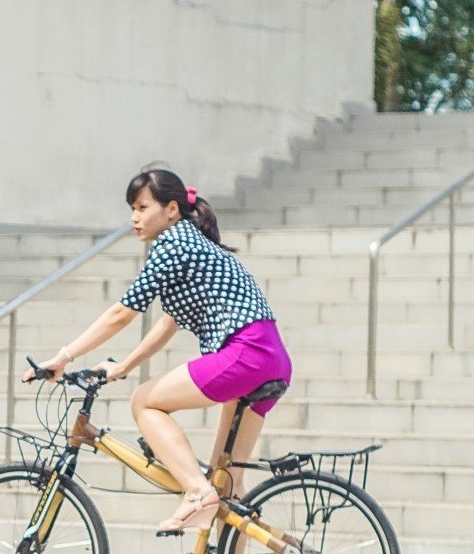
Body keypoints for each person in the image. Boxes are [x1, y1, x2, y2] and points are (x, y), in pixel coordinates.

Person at [24, 167, 291, 535]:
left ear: (171, 209)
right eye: (131, 209)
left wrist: (64, 356)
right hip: (271, 357)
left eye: (143, 207)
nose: (134, 217)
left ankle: (196, 493)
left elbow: (121, 314)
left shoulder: (173, 243)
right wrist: (126, 365)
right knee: (226, 484)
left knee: (144, 403)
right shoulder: (192, 244)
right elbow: (168, 323)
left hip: (244, 353)